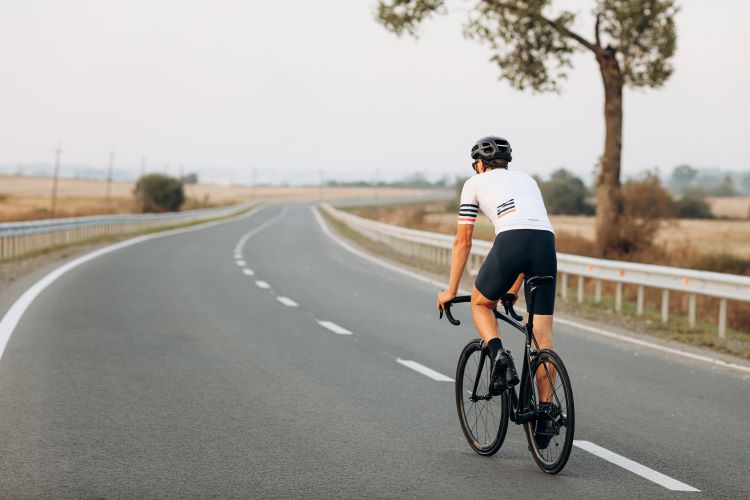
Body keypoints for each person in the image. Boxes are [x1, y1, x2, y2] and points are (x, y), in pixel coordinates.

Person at [436, 136, 558, 448]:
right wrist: (513, 290)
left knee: (480, 304)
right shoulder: (527, 180)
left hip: (511, 242)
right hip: (545, 244)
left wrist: (450, 290)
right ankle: (545, 416)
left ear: (479, 164)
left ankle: (498, 355)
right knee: (542, 339)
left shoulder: (474, 183)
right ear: (506, 162)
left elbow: (463, 240)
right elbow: (530, 230)